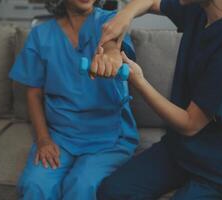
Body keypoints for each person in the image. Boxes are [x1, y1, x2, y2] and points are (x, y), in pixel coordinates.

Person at [95, 0, 222, 199]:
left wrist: (139, 80)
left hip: (220, 171)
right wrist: (125, 16)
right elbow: (151, 1)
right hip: (180, 150)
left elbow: (190, 124)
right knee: (112, 191)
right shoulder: (199, 11)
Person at [8, 0, 138, 199]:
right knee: (35, 185)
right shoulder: (40, 35)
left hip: (110, 137)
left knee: (81, 186)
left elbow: (113, 42)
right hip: (61, 135)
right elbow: (33, 94)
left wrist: (111, 55)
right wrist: (43, 140)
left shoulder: (110, 21)